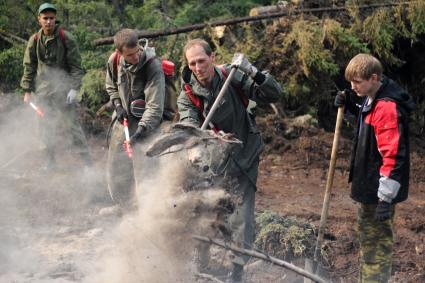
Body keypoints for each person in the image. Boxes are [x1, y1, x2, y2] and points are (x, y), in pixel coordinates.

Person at [177, 38, 283, 282]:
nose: (197, 67)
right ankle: (200, 263)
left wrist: (253, 72)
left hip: (245, 154)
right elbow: (189, 122)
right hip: (212, 163)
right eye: (192, 63)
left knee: (242, 214)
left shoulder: (231, 76)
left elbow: (273, 95)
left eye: (201, 61)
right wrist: (195, 143)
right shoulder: (188, 94)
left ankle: (237, 270)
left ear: (212, 57)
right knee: (205, 210)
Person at [334, 53, 415, 283]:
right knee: (369, 243)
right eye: (351, 82)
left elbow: (392, 155)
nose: (352, 87)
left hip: (377, 192)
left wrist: (385, 198)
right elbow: (365, 128)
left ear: (373, 77)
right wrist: (350, 105)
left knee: (376, 246)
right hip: (369, 187)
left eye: (357, 82)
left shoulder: (386, 107)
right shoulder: (372, 97)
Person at [20, 2, 92, 169]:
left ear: (56, 19)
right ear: (39, 19)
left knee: (72, 126)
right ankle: (49, 161)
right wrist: (27, 90)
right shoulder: (35, 40)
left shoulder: (67, 38)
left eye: (51, 18)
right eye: (45, 18)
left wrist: (74, 88)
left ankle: (87, 163)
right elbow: (29, 66)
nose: (49, 22)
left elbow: (76, 67)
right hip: (43, 91)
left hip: (64, 89)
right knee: (44, 127)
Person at [105, 28, 165, 208]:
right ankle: (123, 206)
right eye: (130, 55)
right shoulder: (114, 60)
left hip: (146, 124)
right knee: (116, 164)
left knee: (145, 168)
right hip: (122, 121)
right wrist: (117, 104)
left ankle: (148, 210)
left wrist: (141, 132)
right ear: (119, 53)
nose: (136, 57)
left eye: (137, 51)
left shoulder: (153, 66)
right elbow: (110, 85)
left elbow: (155, 106)